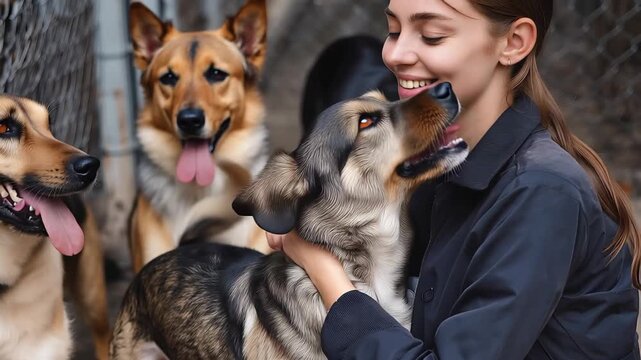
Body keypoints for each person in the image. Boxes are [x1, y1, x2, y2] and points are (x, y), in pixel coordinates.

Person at [268, 0, 641, 358]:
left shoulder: (541, 192)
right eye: (394, 30)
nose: (394, 55)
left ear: (513, 43)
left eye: (431, 35)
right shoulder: (439, 164)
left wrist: (324, 271)